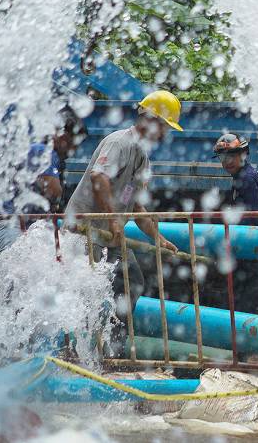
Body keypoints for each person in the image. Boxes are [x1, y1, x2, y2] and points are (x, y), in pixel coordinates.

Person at [64, 90, 181, 334]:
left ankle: (112, 347)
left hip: (108, 234)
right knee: (86, 291)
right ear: (150, 120)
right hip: (84, 231)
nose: (165, 134)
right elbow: (99, 177)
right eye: (164, 127)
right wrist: (114, 220)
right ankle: (80, 348)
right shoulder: (119, 142)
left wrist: (158, 238)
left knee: (131, 282)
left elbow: (134, 204)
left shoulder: (141, 157)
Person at [0, 108, 88, 260]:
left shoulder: (33, 147)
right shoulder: (42, 151)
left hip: (7, 220)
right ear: (63, 137)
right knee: (19, 265)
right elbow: (54, 191)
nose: (73, 151)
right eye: (74, 145)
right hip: (6, 222)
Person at [214, 133, 258, 212]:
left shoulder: (247, 179)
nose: (228, 162)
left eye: (232, 156)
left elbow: (251, 218)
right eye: (223, 157)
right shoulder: (240, 175)